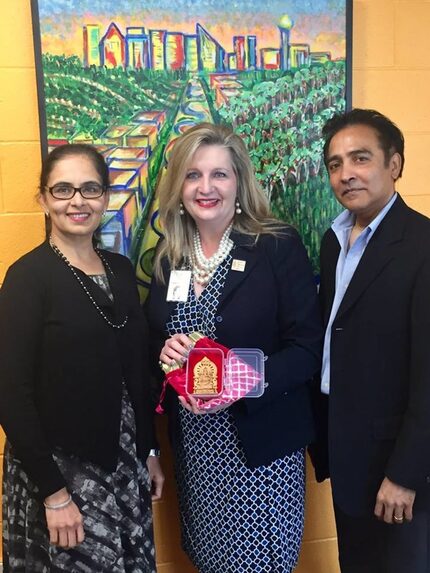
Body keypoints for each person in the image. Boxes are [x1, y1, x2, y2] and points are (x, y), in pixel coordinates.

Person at [146, 123, 322, 573]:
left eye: (219, 175)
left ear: (239, 182)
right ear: (178, 186)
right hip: (198, 452)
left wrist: (237, 382)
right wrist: (166, 356)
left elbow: (306, 349)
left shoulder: (275, 246)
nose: (205, 187)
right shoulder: (171, 259)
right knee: (211, 560)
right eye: (192, 175)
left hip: (260, 453)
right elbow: (154, 343)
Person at [0, 144, 164, 572]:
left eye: (90, 189)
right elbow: (10, 392)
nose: (78, 200)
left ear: (105, 197)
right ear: (43, 199)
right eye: (63, 190)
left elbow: (136, 373)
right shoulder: (27, 277)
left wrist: (148, 449)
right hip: (60, 472)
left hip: (124, 461)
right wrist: (53, 494)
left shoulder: (121, 270)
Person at [311, 108, 430, 572]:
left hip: (397, 464)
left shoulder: (421, 246)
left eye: (360, 158)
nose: (346, 174)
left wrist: (405, 473)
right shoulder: (333, 241)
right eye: (335, 164)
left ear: (394, 164)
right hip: (348, 452)